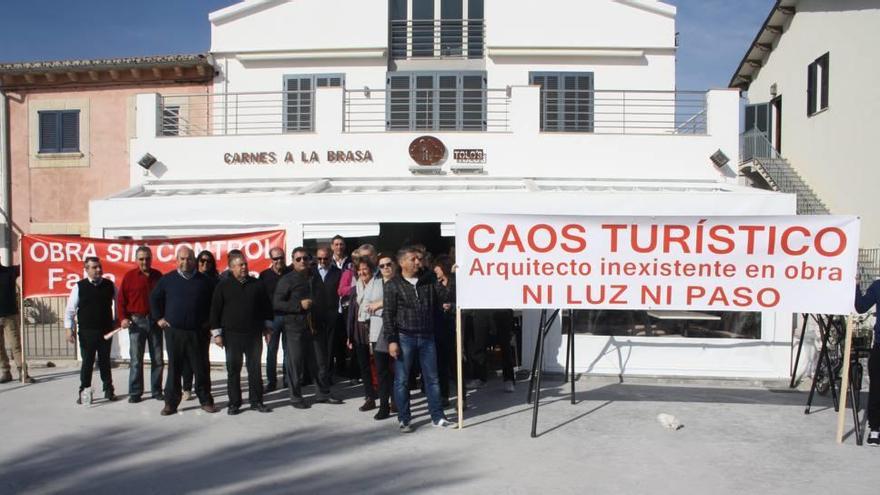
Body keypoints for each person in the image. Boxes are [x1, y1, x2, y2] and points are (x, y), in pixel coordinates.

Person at [383, 246, 451, 432]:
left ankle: (438, 416)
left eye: (419, 259)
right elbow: (388, 315)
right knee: (402, 380)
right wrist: (392, 340)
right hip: (405, 337)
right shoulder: (393, 285)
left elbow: (445, 296)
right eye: (413, 259)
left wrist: (444, 279)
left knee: (432, 379)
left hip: (428, 336)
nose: (417, 262)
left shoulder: (428, 279)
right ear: (402, 262)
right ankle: (404, 418)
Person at [151, 247, 218, 415]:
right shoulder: (167, 280)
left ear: (194, 260)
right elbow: (154, 299)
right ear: (176, 260)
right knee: (174, 369)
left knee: (201, 367)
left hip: (198, 333)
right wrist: (159, 318)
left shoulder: (205, 281)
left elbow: (215, 304)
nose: (185, 262)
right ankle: (170, 403)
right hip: (175, 332)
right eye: (181, 259)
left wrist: (210, 323)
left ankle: (205, 400)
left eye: (188, 259)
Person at [274, 247, 342, 408]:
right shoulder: (287, 279)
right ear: (293, 261)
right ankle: (296, 397)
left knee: (320, 362)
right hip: (295, 327)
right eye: (298, 259)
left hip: (316, 326)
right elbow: (277, 303)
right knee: (296, 364)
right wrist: (298, 305)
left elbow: (323, 299)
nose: (302, 261)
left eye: (305, 258)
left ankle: (322, 393)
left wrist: (324, 317)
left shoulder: (315, 277)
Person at [210, 253, 274, 415]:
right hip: (232, 336)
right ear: (232, 268)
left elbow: (266, 308)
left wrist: (267, 328)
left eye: (245, 264)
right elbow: (215, 311)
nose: (244, 267)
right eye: (240, 265)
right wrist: (217, 334)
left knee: (255, 369)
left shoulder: (257, 285)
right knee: (233, 370)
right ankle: (234, 403)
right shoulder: (223, 286)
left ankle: (257, 401)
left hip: (253, 335)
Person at [64, 257, 117, 403]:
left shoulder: (109, 285)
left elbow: (118, 303)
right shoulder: (79, 287)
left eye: (99, 267)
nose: (98, 270)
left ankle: (108, 390)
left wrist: (117, 320)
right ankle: (84, 392)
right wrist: (69, 328)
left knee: (105, 361)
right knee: (88, 362)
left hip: (106, 331)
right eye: (94, 267)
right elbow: (70, 310)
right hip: (87, 332)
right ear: (86, 269)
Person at [117, 246, 164, 403]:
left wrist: (164, 317)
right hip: (136, 322)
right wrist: (123, 318)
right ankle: (135, 392)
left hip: (155, 321)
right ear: (136, 260)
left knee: (157, 359)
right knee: (136, 360)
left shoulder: (158, 276)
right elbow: (121, 300)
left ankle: (157, 390)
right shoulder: (129, 277)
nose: (145, 262)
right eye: (141, 259)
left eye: (147, 258)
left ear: (151, 259)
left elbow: (165, 298)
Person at [182, 250, 219, 401]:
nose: (205, 264)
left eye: (208, 261)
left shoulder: (215, 281)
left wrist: (212, 324)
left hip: (204, 325)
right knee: (187, 359)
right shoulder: (190, 278)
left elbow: (216, 305)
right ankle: (186, 388)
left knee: (203, 359)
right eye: (202, 261)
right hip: (188, 324)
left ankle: (204, 388)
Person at [347, 258, 381, 412]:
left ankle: (387, 396)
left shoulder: (379, 286)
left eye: (365, 269)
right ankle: (370, 397)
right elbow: (351, 314)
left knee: (381, 366)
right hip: (359, 331)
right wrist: (349, 335)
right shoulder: (355, 290)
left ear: (372, 270)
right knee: (364, 367)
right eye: (359, 270)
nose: (362, 272)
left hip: (377, 330)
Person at [366, 253, 395, 420]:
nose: (385, 268)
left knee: (399, 371)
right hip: (378, 331)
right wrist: (376, 306)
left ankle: (397, 401)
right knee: (382, 371)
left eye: (388, 264)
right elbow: (366, 306)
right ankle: (384, 405)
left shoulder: (401, 283)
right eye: (382, 266)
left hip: (398, 331)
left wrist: (380, 304)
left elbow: (403, 302)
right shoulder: (374, 283)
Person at [259, 247, 290, 392]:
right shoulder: (264, 276)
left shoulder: (291, 273)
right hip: (272, 319)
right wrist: (264, 323)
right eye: (275, 258)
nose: (279, 261)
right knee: (271, 351)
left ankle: (287, 380)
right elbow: (261, 301)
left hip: (289, 317)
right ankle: (271, 382)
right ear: (271, 260)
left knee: (288, 351)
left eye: (281, 258)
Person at [854, 278, 880, 446]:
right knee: (877, 388)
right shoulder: (878, 286)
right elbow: (861, 306)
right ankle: (875, 430)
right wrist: (855, 285)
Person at [466, 309, 517, 393]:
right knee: (478, 344)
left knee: (505, 346)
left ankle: (509, 379)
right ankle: (479, 378)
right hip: (481, 308)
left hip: (501, 308)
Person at [0, 259, 33, 384]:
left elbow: (27, 263)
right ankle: (5, 371)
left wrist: (25, 242)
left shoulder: (10, 271)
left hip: (10, 315)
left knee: (16, 345)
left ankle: (23, 372)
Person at [313, 246, 342, 383]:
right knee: (317, 346)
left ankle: (328, 375)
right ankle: (317, 374)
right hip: (315, 315)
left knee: (330, 346)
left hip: (331, 313)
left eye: (325, 258)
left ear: (331, 257)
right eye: (319, 258)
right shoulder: (312, 272)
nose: (322, 261)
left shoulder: (338, 272)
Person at [432, 255, 458, 405]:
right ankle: (444, 395)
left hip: (455, 325)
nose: (435, 269)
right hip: (441, 326)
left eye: (438, 266)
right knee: (441, 363)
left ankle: (462, 397)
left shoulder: (455, 282)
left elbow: (462, 301)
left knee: (456, 364)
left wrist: (452, 306)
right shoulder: (435, 285)